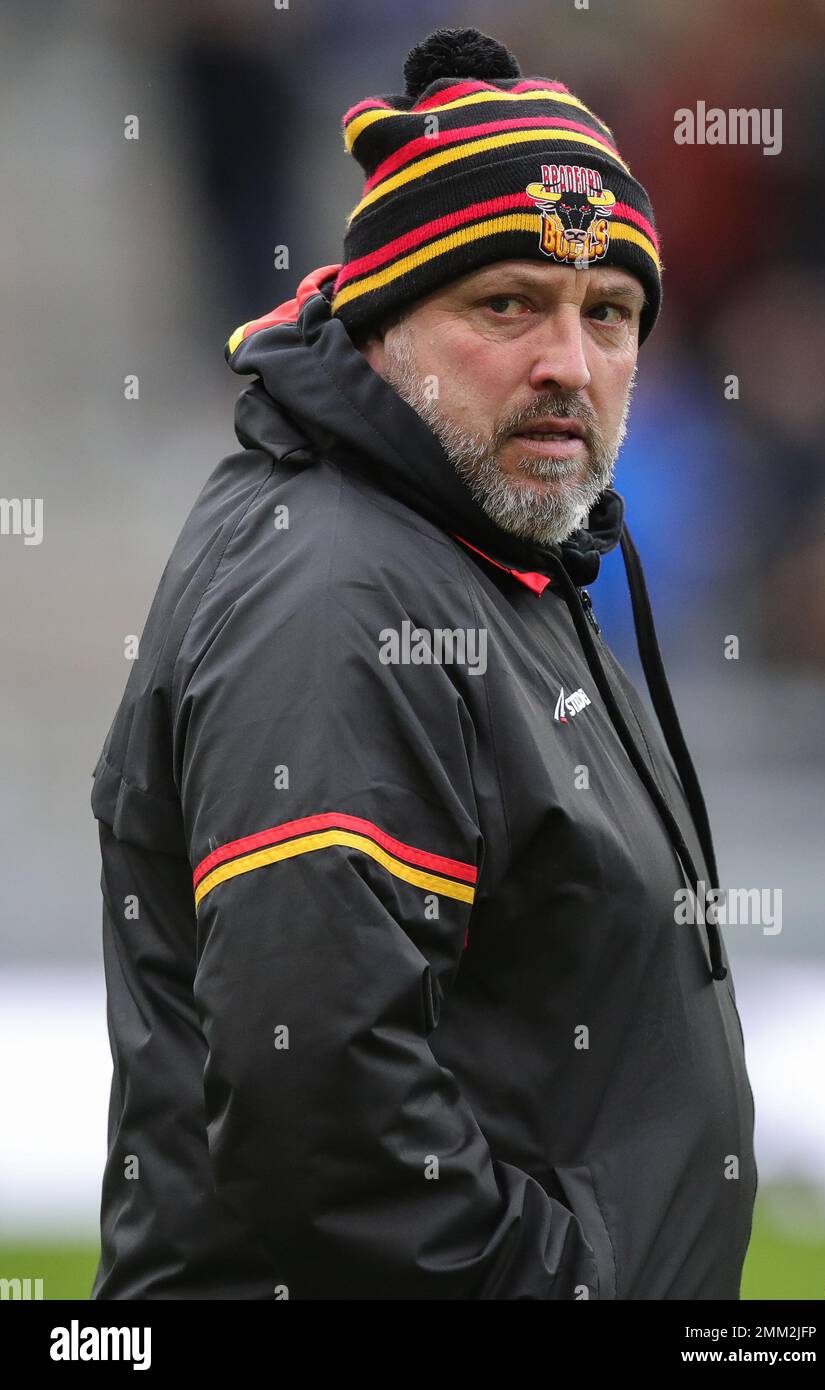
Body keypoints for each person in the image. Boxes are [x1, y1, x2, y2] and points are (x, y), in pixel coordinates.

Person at [90, 26, 757, 1300]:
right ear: (383, 325)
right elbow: (324, 1119)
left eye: (607, 313)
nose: (569, 362)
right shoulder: (340, 590)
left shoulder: (480, 547)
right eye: (505, 303)